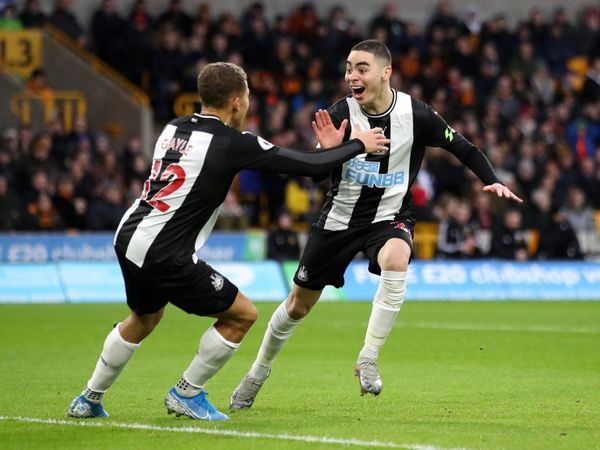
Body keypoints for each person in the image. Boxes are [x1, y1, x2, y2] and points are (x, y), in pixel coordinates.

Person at [66, 61, 390, 421]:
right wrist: (356, 145)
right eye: (248, 98)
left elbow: (308, 163)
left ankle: (88, 398)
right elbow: (307, 167)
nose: (249, 105)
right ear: (237, 102)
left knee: (143, 318)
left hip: (129, 236)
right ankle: (186, 392)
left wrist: (323, 153)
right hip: (164, 249)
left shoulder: (174, 127)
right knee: (242, 315)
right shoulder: (232, 143)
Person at [230, 40, 522, 411]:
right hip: (338, 220)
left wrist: (491, 178)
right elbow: (316, 176)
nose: (352, 75)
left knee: (398, 259)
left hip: (390, 216)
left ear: (386, 73)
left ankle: (367, 358)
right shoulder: (340, 112)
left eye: (361, 68)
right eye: (349, 67)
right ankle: (257, 373)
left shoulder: (416, 115)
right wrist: (326, 150)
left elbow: (462, 146)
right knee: (297, 306)